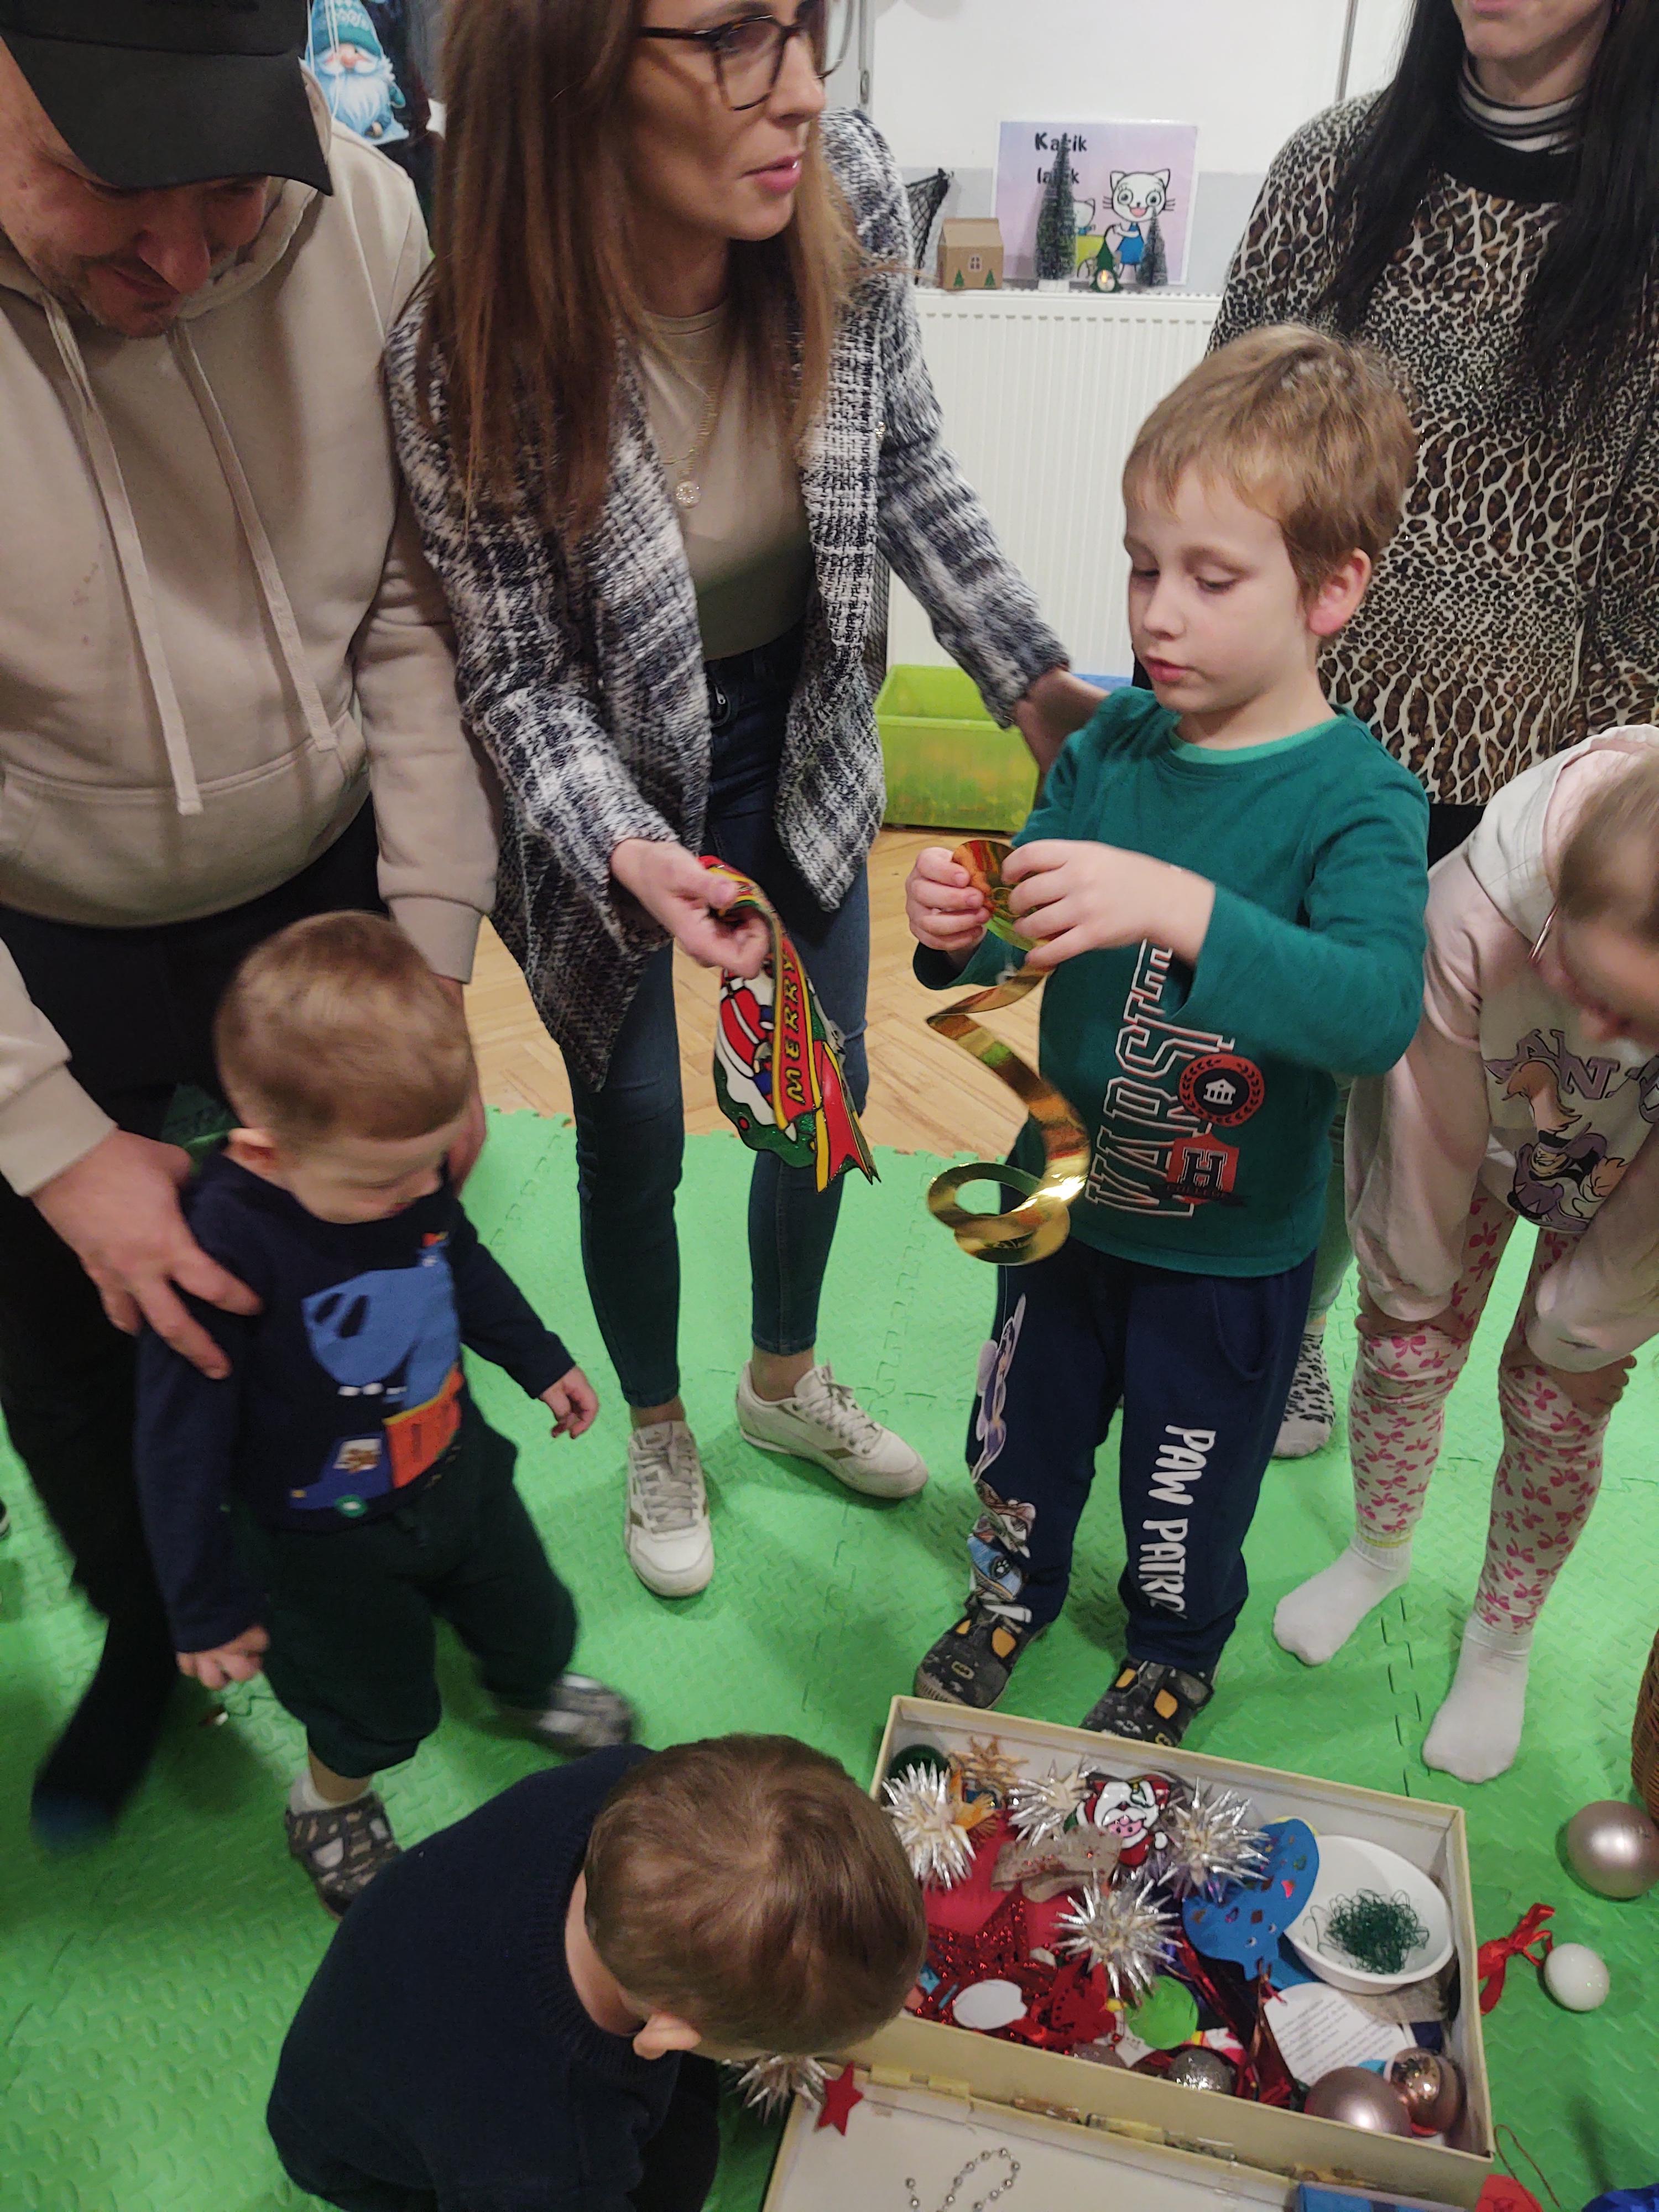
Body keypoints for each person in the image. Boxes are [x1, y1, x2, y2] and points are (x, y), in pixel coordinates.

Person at [387, 0, 1098, 1603]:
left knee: (819, 1092)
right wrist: (625, 846)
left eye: (801, 23)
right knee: (632, 1127)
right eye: (728, 37)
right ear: (573, 74)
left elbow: (908, 467)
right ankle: (658, 1421)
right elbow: (512, 676)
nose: (797, 87)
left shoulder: (842, 195)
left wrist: (1033, 681)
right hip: (600, 782)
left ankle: (781, 1380)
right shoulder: (462, 347)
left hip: (800, 722)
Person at [0, 1, 499, 1844]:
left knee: (369, 1274)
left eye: (229, 184)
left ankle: (405, 1577)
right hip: (45, 918)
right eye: (112, 184)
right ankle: (151, 1637)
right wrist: (50, 1144)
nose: (187, 260)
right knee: (75, 1346)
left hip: (320, 875)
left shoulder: (365, 217)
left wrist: (429, 969)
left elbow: (412, 610)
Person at [906, 328, 1429, 1747]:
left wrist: (1186, 909)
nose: (1158, 613)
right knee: (1017, 1447)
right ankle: (1005, 1593)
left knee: (1186, 1483)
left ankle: (1173, 1646)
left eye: (1211, 577)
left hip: (1227, 1251)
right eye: (1144, 567)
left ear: (1330, 590)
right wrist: (959, 928)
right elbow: (1027, 933)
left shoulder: (1359, 800)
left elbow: (1375, 1011)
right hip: (1062, 1210)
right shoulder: (1105, 748)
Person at [1213, 0, 1659, 1457]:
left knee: (1419, 1128)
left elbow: (1646, 576)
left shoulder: (1643, 221)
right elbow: (1223, 451)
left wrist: (1600, 833)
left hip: (1514, 803)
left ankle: (1317, 1332)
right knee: (1256, 1074)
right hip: (1300, 743)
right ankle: (1242, 1321)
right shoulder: (1337, 166)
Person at [134, 916, 633, 1914]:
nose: (418, 1195)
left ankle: (526, 1684)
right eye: (383, 1181)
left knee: (533, 1617)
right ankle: (329, 1802)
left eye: (429, 1166)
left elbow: (460, 1260)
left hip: (459, 1472)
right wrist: (202, 1605)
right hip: (321, 1543)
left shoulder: (403, 1176)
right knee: (373, 1707)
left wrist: (538, 1359)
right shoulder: (220, 1248)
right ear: (266, 1152)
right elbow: (175, 1448)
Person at [1276, 733, 1659, 1784]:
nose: (1599, 1028)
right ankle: (1378, 1552)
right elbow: (1422, 1122)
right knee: (1405, 1350)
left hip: (1631, 1171)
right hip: (1474, 1120)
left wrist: (1584, 1329)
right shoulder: (1470, 917)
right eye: (1580, 982)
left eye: (1635, 1018)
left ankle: (1503, 1636)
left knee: (1560, 1407)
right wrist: (1409, 1285)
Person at [267, 1734, 928, 2212]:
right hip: (364, 2159)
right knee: (684, 2162)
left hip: (410, 1993)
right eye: (760, 2050)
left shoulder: (630, 1785)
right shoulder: (551, 2153)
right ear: (668, 2031)